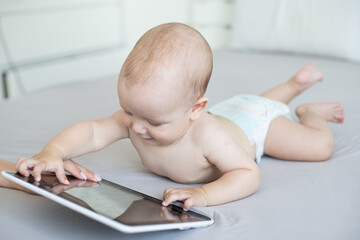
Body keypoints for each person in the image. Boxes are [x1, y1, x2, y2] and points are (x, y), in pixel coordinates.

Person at [10, 23, 344, 210]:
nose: (136, 127)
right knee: (253, 102)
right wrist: (53, 153)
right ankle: (293, 85)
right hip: (232, 110)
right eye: (129, 111)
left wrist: (204, 194)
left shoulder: (210, 137)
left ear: (194, 110)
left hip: (254, 127)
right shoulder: (143, 116)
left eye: (154, 122)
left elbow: (247, 173)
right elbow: (93, 132)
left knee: (316, 147)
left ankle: (309, 111)